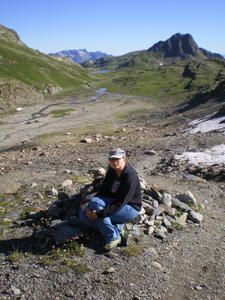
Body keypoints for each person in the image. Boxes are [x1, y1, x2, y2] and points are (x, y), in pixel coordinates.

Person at [79, 148, 142, 250]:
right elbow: (103, 191)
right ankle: (118, 228)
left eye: (118, 159)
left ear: (124, 159)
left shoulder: (130, 176)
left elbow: (121, 202)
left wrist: (99, 214)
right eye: (112, 159)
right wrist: (91, 209)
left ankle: (113, 237)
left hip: (129, 208)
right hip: (112, 203)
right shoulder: (112, 171)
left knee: (96, 210)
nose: (114, 162)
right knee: (84, 215)